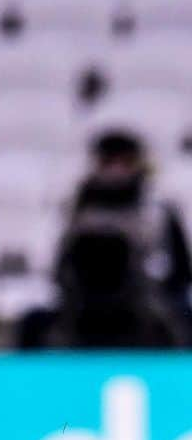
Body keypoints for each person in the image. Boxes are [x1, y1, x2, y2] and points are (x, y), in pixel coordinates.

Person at [17, 129, 192, 349]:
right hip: (82, 306)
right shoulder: (75, 209)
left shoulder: (158, 210)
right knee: (32, 323)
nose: (116, 170)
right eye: (109, 161)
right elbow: (60, 268)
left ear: (138, 164)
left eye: (125, 161)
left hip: (144, 303)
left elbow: (181, 272)